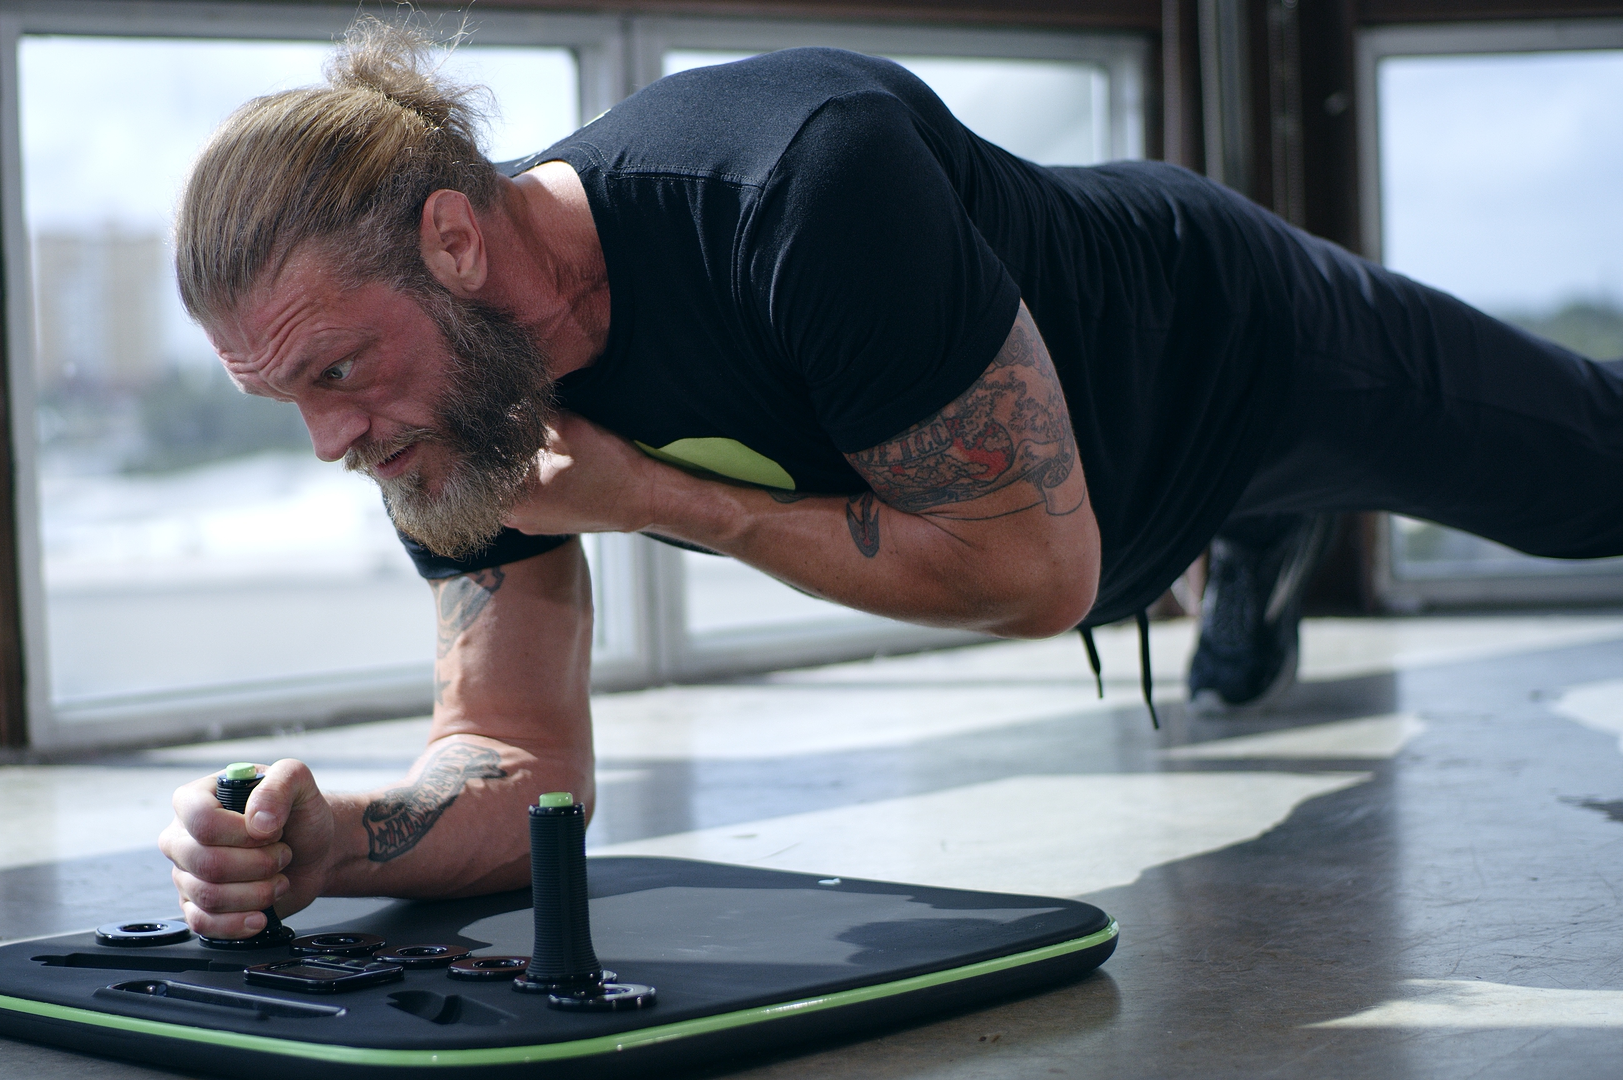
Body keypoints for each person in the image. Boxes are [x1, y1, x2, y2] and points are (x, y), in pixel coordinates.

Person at [156, 21, 1623, 939]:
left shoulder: (794, 188)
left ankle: (1270, 505)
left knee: (1592, 482)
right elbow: (517, 753)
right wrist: (336, 838)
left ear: (454, 242)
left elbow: (1033, 581)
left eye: (334, 373)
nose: (332, 442)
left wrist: (658, 497)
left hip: (1225, 351)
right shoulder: (455, 411)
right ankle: (1259, 537)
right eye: (284, 399)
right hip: (1080, 509)